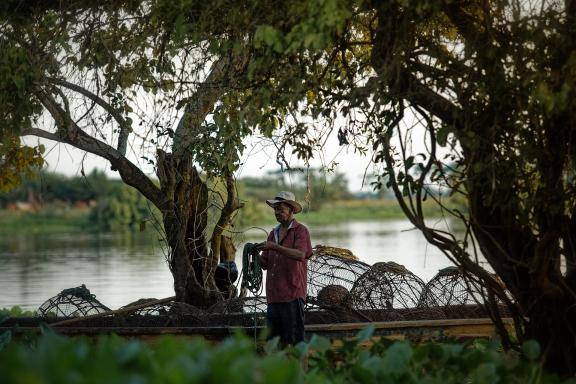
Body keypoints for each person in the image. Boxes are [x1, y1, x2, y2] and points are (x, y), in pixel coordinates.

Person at [257, 191, 312, 346]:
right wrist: (255, 255)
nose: (277, 213)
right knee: (274, 343)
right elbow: (265, 265)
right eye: (275, 209)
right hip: (274, 297)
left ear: (291, 210)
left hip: (292, 295)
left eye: (281, 209)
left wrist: (275, 247)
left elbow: (301, 254)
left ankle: (299, 370)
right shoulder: (272, 234)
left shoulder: (301, 231)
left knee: (294, 342)